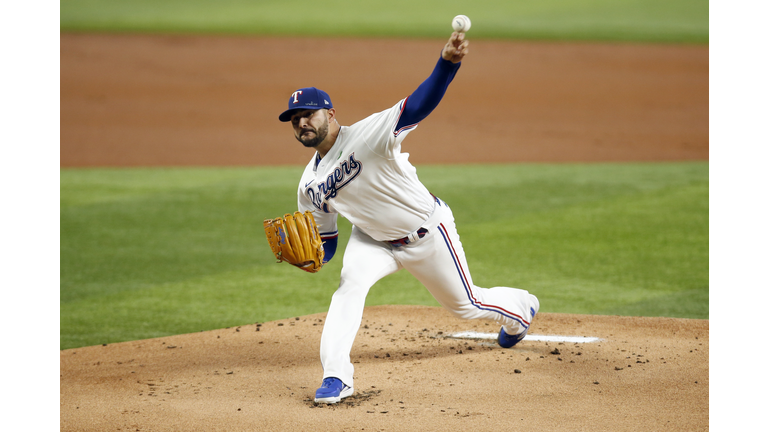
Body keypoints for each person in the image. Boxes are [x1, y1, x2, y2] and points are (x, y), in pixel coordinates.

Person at [277, 32, 539, 404]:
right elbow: (327, 242)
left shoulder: (369, 135)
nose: (302, 122)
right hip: (371, 240)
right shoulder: (308, 184)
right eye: (295, 119)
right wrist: (310, 256)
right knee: (348, 288)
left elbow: (418, 104)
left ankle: (520, 308)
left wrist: (448, 63)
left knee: (466, 306)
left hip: (426, 233)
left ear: (331, 114)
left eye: (309, 114)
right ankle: (337, 377)